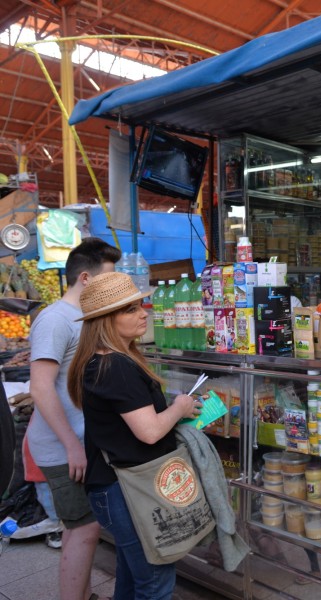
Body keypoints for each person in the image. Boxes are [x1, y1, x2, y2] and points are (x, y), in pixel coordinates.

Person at [67, 272, 201, 599]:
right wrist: (180, 407)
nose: (143, 313)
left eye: (140, 305)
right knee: (154, 585)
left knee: (131, 579)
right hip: (127, 490)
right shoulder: (115, 366)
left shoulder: (102, 362)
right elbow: (150, 431)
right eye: (129, 309)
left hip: (116, 487)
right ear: (104, 321)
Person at [27, 237, 120, 600]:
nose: (111, 287)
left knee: (79, 526)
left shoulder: (84, 318)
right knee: (85, 528)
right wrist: (71, 446)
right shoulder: (55, 320)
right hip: (61, 446)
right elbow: (40, 388)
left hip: (80, 444)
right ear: (85, 278)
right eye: (106, 278)